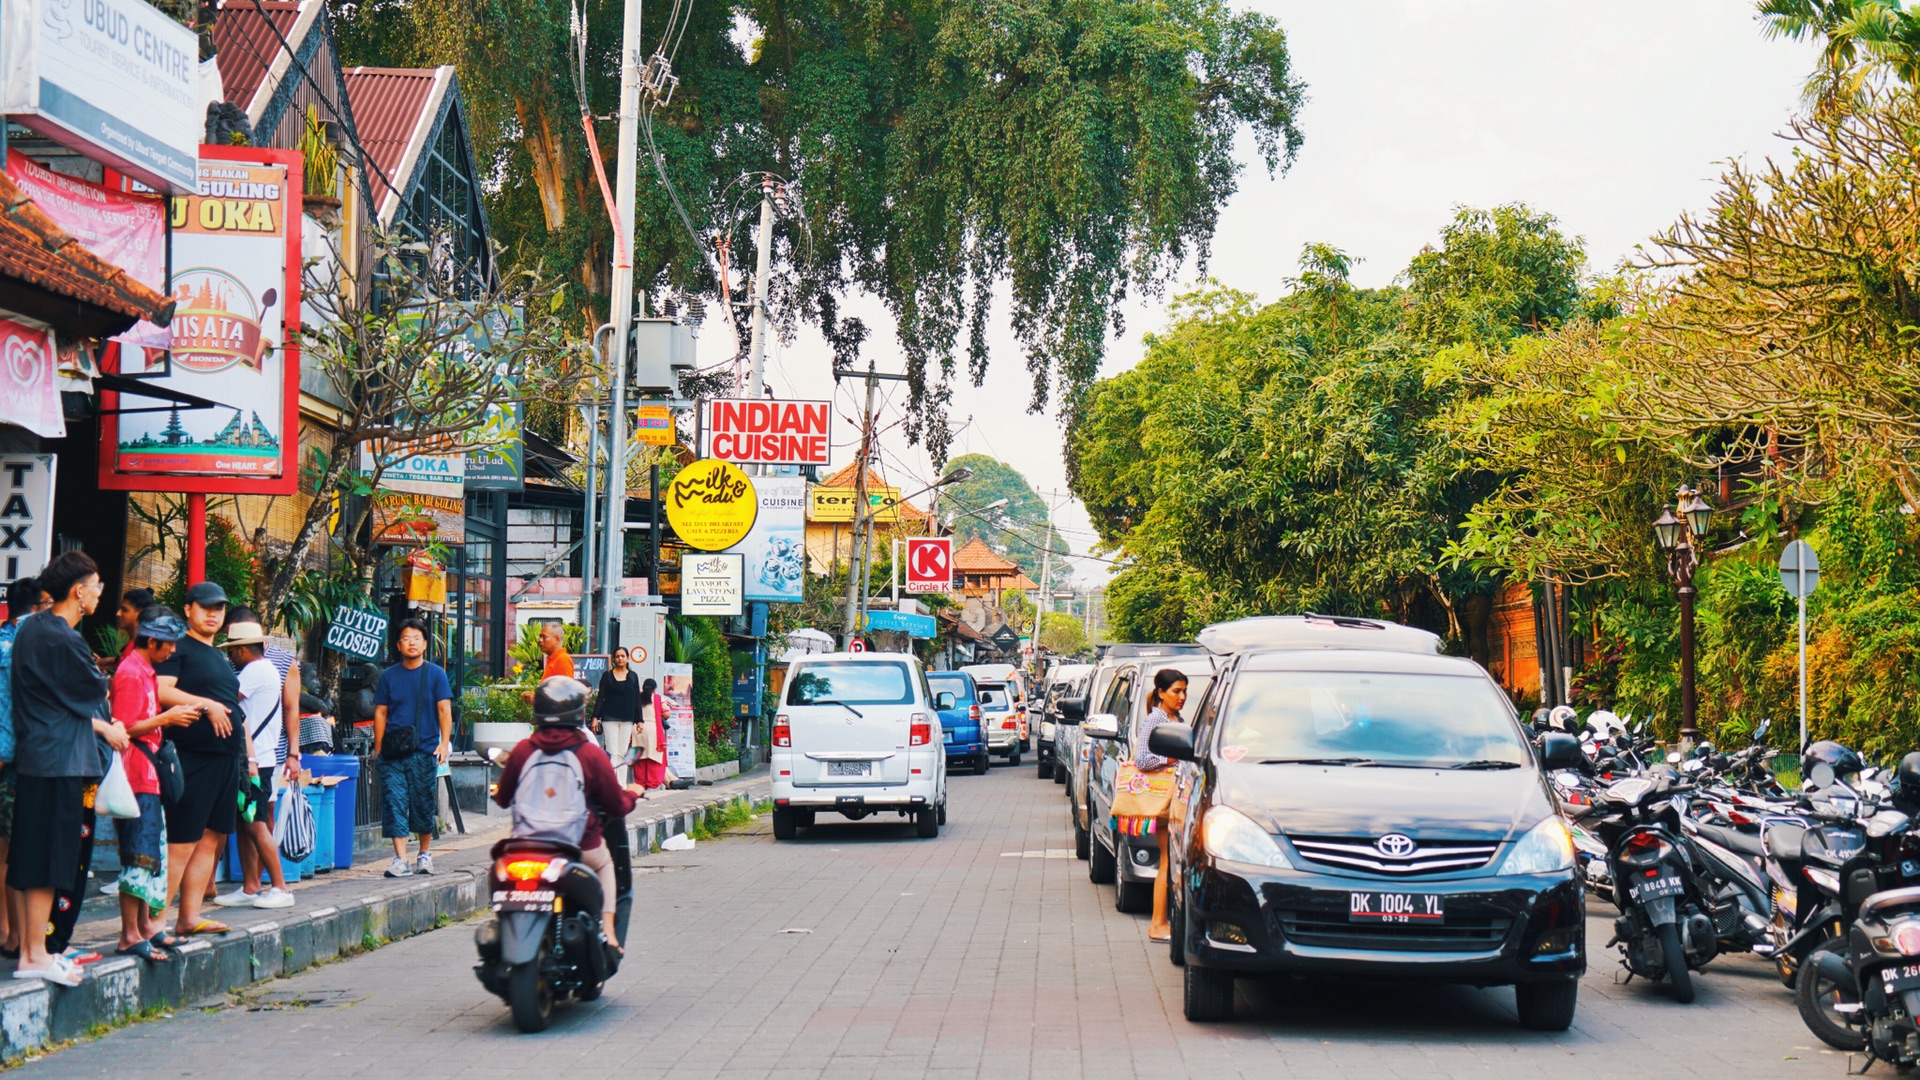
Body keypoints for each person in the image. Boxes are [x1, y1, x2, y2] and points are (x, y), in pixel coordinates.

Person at [8, 552, 128, 985]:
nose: (100, 593)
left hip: (39, 755)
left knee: (29, 856)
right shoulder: (61, 636)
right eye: (96, 585)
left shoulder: (32, 628)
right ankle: (36, 954)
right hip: (59, 760)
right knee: (48, 860)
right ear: (79, 591)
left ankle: (31, 950)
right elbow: (94, 687)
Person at [492, 676, 641, 949]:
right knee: (607, 865)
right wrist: (633, 793)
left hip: (527, 845)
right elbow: (615, 806)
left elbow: (502, 798)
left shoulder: (524, 750)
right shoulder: (590, 753)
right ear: (578, 712)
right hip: (577, 845)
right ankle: (608, 932)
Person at [108, 609, 200, 961]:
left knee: (150, 854)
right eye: (168, 644)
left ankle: (145, 926)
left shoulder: (142, 671)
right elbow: (125, 727)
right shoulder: (131, 674)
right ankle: (130, 933)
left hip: (146, 772)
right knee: (138, 854)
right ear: (151, 641)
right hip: (136, 772)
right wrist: (167, 717)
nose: (172, 651)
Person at [155, 581, 245, 938]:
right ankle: (155, 922)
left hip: (224, 759)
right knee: (182, 839)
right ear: (188, 608)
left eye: (219, 608)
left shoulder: (219, 655)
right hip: (193, 756)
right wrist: (206, 705)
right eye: (205, 607)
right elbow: (161, 690)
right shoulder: (179, 648)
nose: (213, 614)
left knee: (210, 838)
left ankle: (189, 916)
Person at [217, 609, 299, 907]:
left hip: (256, 762)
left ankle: (280, 887)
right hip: (259, 759)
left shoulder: (253, 671)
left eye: (231, 652)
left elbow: (225, 700)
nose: (231, 658)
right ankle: (251, 886)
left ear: (241, 649)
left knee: (254, 823)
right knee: (245, 823)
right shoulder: (266, 669)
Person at [372, 619, 452, 878]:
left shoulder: (436, 674)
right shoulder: (388, 676)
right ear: (398, 645)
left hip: (424, 750)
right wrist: (378, 746)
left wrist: (443, 743)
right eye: (406, 638)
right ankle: (400, 859)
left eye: (417, 638)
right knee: (394, 802)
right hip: (393, 753)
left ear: (425, 643)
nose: (412, 642)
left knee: (422, 804)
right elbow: (380, 713)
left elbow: (444, 711)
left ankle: (424, 854)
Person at [1122, 667, 1187, 943]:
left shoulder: (1175, 717)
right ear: (1161, 693)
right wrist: (1172, 760)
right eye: (1176, 691)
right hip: (1164, 798)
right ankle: (1158, 923)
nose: (1182, 696)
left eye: (1184, 691)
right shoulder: (1156, 720)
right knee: (1166, 860)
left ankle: (1164, 922)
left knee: (1171, 860)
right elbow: (1144, 760)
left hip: (1177, 797)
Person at [0, 577, 45, 959]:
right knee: (18, 850)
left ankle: (6, 931)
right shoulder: (27, 645)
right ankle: (17, 936)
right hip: (18, 756)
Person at [592, 647, 639, 785]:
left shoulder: (633, 676)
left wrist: (639, 720)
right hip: (609, 718)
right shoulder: (607, 676)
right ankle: (611, 785)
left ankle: (622, 786)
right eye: (617, 656)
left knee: (623, 753)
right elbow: (601, 697)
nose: (620, 658)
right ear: (614, 659)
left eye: (622, 656)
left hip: (627, 718)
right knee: (612, 752)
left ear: (627, 658)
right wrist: (595, 717)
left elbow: (636, 698)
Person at [631, 677, 669, 790]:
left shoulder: (636, 697)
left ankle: (641, 783)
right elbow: (667, 714)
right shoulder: (657, 698)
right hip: (653, 730)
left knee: (640, 758)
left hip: (637, 729)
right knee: (653, 757)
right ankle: (652, 782)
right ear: (654, 689)